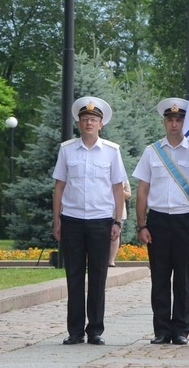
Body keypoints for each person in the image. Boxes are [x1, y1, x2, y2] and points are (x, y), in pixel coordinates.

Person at [134, 98, 189, 346]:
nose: (174, 124)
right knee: (159, 277)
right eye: (170, 119)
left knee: (183, 278)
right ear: (164, 122)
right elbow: (142, 190)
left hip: (185, 219)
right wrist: (142, 224)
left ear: (185, 122)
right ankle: (161, 330)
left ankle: (181, 329)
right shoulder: (152, 151)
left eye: (179, 120)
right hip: (157, 219)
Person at [52, 96, 127, 346]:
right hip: (72, 220)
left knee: (98, 276)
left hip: (100, 221)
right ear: (79, 122)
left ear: (101, 124)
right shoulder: (67, 149)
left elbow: (118, 189)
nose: (89, 123)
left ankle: (95, 329)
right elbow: (59, 187)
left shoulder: (111, 152)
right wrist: (56, 220)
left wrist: (117, 221)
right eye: (85, 119)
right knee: (73, 276)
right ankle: (75, 331)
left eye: (93, 120)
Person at [109, 179, 132, 266]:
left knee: (115, 236)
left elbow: (128, 194)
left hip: (118, 212)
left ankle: (111, 261)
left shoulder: (124, 178)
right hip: (102, 211)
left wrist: (118, 190)